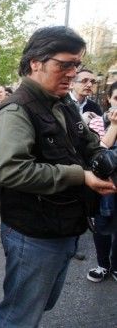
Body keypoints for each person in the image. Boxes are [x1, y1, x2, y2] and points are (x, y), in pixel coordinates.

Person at [0, 26, 115, 327]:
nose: (73, 72)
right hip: (34, 234)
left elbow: (89, 144)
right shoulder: (16, 110)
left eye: (77, 64)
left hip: (63, 227)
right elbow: (12, 170)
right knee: (18, 316)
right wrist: (80, 176)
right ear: (36, 62)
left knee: (38, 305)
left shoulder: (64, 103)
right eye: (65, 64)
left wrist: (101, 160)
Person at [85, 81, 117, 283]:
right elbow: (97, 154)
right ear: (109, 99)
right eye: (116, 99)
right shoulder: (97, 122)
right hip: (104, 186)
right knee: (103, 224)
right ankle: (103, 265)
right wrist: (114, 126)